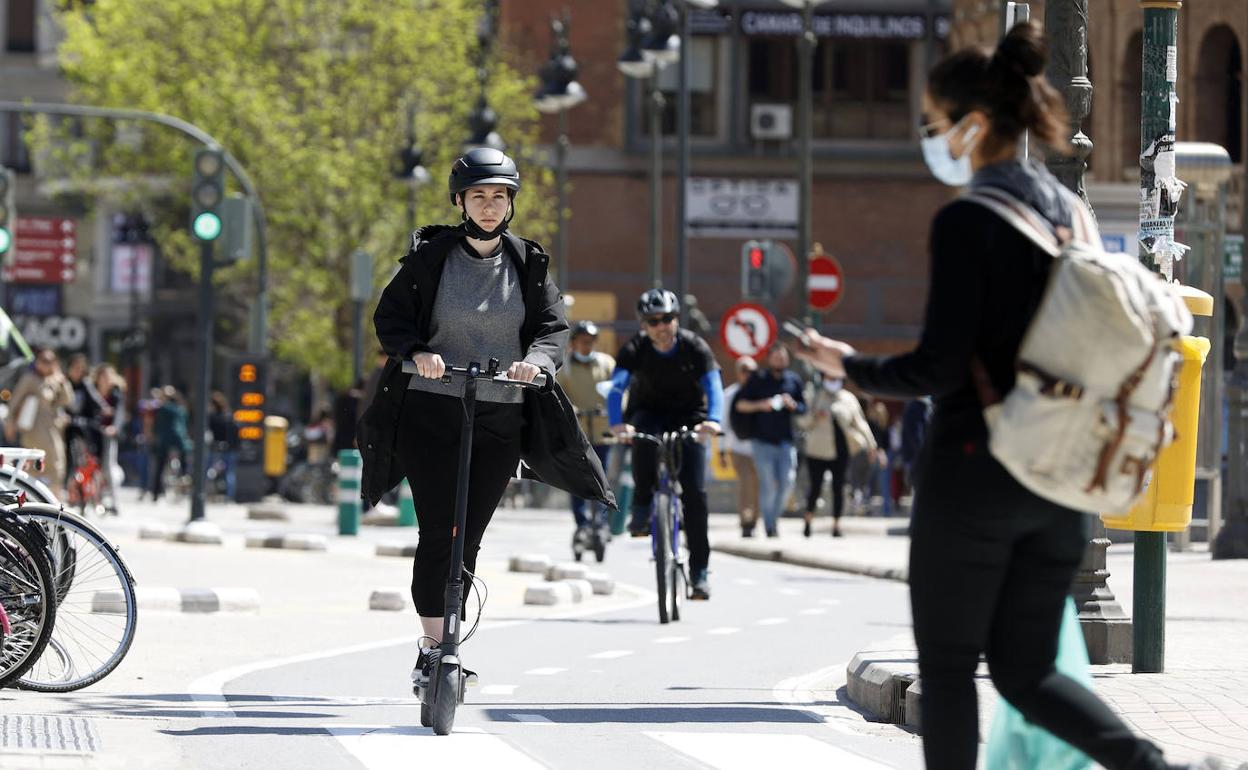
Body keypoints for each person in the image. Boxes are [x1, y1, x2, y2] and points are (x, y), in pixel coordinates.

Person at [793, 22, 1196, 770]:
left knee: (949, 670)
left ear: (973, 124)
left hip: (976, 472)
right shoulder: (1069, 212)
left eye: (935, 123)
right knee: (1028, 670)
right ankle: (1152, 768)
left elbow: (940, 367)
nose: (932, 137)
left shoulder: (968, 219)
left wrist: (850, 366)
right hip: (1061, 478)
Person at [365, 147, 611, 691]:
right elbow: (391, 318)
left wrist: (538, 364)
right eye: (478, 196)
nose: (489, 206)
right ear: (460, 201)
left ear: (510, 203)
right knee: (437, 533)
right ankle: (433, 647)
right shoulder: (430, 259)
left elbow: (553, 328)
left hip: (502, 413)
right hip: (433, 412)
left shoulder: (528, 262)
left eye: (499, 196)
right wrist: (417, 352)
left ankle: (452, 637)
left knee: (468, 537)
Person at [608, 289, 722, 599]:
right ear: (644, 324)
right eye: (654, 321)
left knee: (695, 496)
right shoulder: (635, 348)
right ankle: (643, 506)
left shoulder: (694, 346)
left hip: (690, 416)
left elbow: (713, 384)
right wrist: (617, 423)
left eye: (668, 319)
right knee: (643, 440)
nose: (663, 326)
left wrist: (713, 420)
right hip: (649, 413)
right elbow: (617, 388)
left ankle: (699, 573)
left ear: (676, 319)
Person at [733, 345, 804, 538]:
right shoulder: (758, 379)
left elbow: (803, 408)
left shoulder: (794, 381)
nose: (780, 360)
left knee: (787, 482)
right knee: (768, 485)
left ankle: (772, 518)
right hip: (761, 441)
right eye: (776, 357)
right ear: (769, 359)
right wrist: (762, 405)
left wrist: (793, 405)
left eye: (783, 357)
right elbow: (741, 405)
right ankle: (770, 526)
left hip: (786, 442)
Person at [556, 320, 615, 546]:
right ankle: (581, 523)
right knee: (578, 479)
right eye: (583, 343)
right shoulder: (566, 367)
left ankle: (600, 522)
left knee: (602, 478)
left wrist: (612, 408)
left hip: (602, 431)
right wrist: (571, 409)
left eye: (591, 343)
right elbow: (558, 393)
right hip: (576, 432)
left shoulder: (606, 364)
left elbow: (619, 391)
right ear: (574, 343)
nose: (587, 347)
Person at [797, 375, 874, 538]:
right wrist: (815, 416)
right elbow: (803, 422)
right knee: (815, 487)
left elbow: (860, 423)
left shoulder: (848, 399)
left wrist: (872, 445)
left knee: (838, 488)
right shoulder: (816, 395)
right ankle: (808, 521)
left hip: (841, 451)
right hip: (817, 450)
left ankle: (836, 525)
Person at [5, 348, 73, 499]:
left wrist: (62, 381)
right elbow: (15, 401)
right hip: (34, 432)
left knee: (56, 468)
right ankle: (31, 503)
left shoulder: (53, 380)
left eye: (50, 362)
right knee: (36, 468)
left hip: (52, 430)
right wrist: (10, 424)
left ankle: (54, 506)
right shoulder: (30, 379)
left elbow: (67, 400)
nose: (46, 365)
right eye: (43, 361)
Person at [721, 356, 760, 537]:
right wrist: (721, 451)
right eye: (745, 370)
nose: (748, 375)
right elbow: (723, 425)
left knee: (759, 486)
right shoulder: (730, 394)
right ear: (738, 372)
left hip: (760, 448)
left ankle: (756, 520)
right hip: (738, 448)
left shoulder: (761, 392)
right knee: (745, 485)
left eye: (752, 371)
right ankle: (745, 521)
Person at [92, 363, 127, 514]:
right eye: (103, 376)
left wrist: (114, 427)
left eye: (108, 377)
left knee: (108, 467)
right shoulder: (92, 391)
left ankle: (114, 501)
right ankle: (94, 500)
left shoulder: (116, 395)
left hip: (108, 436)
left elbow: (119, 413)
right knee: (92, 467)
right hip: (93, 433)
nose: (106, 380)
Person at [148, 385, 191, 502]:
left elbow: (156, 425)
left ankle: (156, 494)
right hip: (180, 440)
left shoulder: (163, 408)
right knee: (184, 465)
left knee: (160, 466)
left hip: (166, 440)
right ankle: (184, 480)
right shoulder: (181, 409)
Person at [208, 391, 239, 500]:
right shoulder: (229, 416)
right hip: (230, 448)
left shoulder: (212, 417)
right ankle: (229, 497)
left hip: (216, 448)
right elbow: (236, 432)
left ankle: (208, 492)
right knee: (229, 473)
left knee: (209, 470)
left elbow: (210, 432)